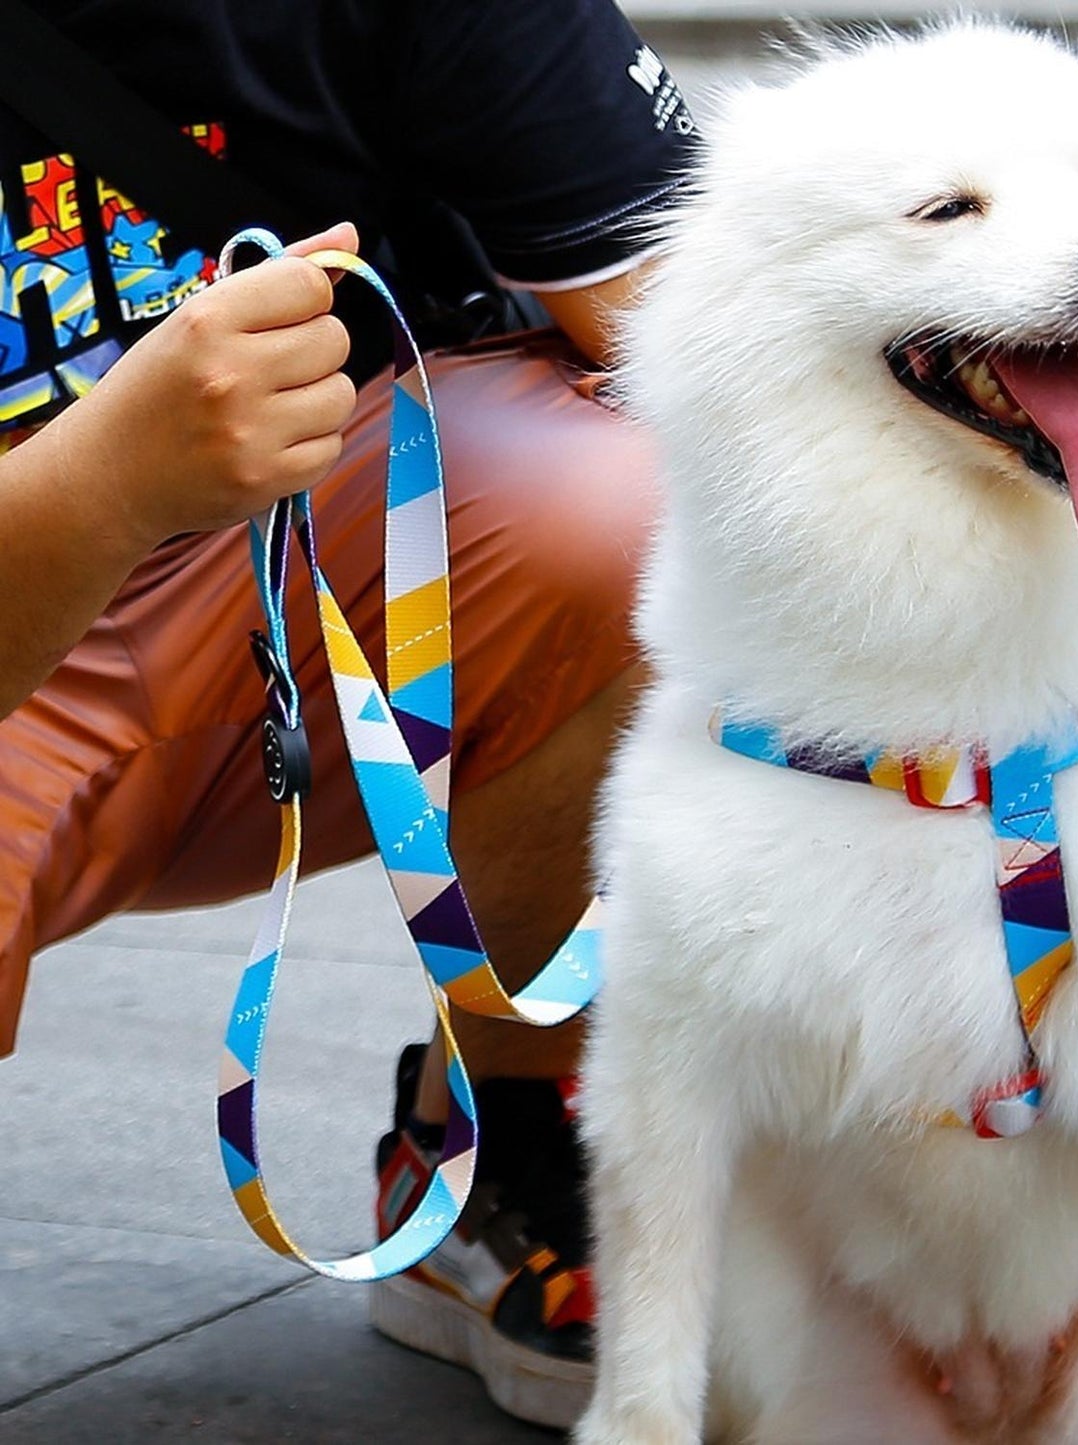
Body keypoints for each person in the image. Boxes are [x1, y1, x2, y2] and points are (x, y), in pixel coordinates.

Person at [0, 0, 695, 1428]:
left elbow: (751, 375)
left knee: (662, 507)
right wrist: (112, 476)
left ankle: (514, 1139)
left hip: (302, 596)